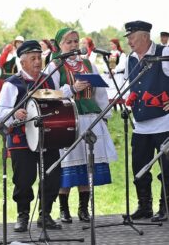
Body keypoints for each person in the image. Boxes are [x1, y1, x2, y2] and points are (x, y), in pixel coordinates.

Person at [47, 28, 117, 224]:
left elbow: (100, 93)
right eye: (68, 42)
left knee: (87, 164)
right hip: (68, 120)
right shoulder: (54, 66)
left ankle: (84, 208)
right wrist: (71, 89)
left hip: (90, 118)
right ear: (60, 45)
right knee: (68, 163)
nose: (73, 45)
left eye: (75, 41)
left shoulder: (88, 64)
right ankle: (63, 209)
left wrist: (104, 115)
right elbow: (49, 94)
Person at [0, 40, 62, 232]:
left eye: (39, 57)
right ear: (22, 62)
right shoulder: (12, 84)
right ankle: (23, 215)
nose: (37, 62)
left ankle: (45, 213)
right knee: (24, 179)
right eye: (33, 58)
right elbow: (0, 111)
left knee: (53, 175)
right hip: (21, 138)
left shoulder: (48, 79)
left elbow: (57, 101)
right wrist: (15, 113)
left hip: (48, 137)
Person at [123, 21, 169, 222]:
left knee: (167, 168)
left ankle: (165, 206)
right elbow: (129, 85)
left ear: (144, 36)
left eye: (132, 37)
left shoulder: (164, 53)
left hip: (164, 121)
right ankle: (144, 205)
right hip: (140, 123)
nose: (130, 42)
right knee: (139, 166)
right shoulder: (129, 59)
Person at [0, 36, 25, 106]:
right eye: (17, 42)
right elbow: (20, 69)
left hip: (2, 79)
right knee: (10, 97)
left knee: (2, 97)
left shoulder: (2, 57)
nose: (18, 44)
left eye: (20, 42)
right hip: (11, 79)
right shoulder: (15, 57)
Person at [103, 38, 127, 111]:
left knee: (118, 90)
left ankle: (122, 108)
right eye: (110, 44)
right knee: (111, 92)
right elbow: (108, 64)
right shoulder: (109, 53)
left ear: (116, 44)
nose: (111, 45)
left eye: (112, 44)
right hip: (111, 76)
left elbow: (122, 65)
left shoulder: (121, 54)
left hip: (118, 76)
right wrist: (108, 71)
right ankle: (114, 108)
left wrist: (114, 71)